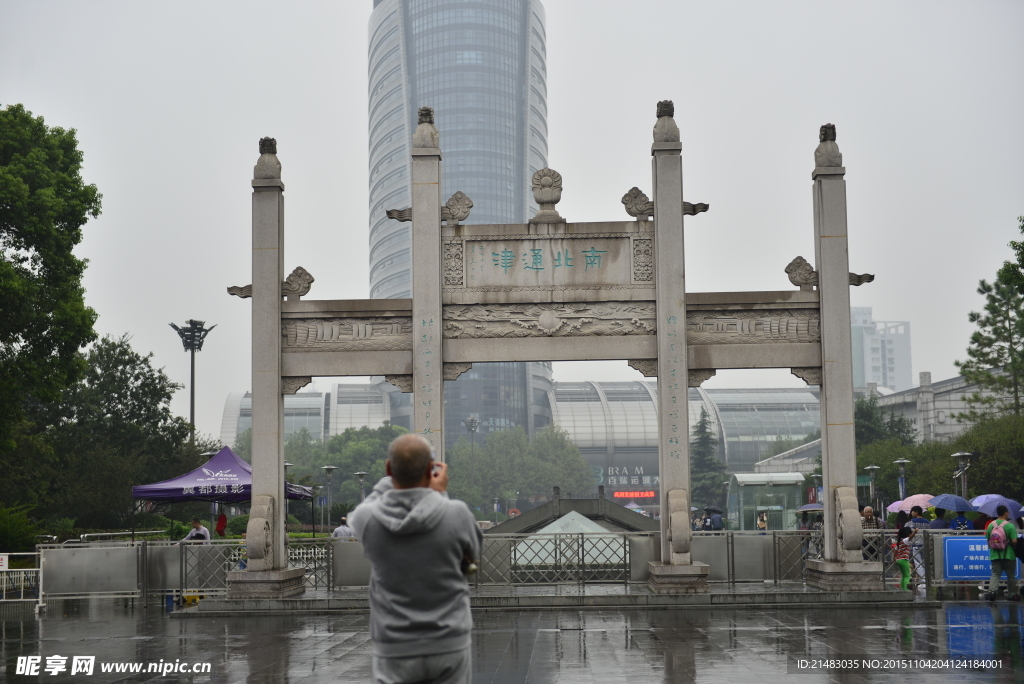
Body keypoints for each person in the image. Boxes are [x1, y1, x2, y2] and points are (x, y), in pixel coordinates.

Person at [349, 434, 482, 684]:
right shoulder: (458, 513)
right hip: (449, 643)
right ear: (431, 470)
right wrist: (438, 494)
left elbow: (364, 507)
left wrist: (396, 476)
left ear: (389, 470)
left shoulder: (368, 520)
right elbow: (473, 555)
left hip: (394, 647)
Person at [984, 504, 1019, 602]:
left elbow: (988, 539)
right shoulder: (1010, 526)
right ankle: (1012, 594)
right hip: (1009, 554)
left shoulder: (991, 525)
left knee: (995, 574)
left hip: (995, 554)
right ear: (1005, 513)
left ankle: (992, 592)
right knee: (1010, 575)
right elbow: (1015, 541)